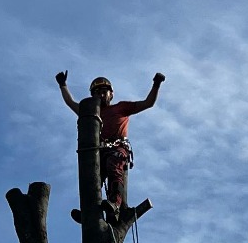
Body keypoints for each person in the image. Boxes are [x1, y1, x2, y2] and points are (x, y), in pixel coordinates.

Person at [56, 70, 166, 210]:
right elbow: (71, 103)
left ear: (111, 94)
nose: (101, 95)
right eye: (97, 93)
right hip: (99, 151)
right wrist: (63, 85)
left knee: (113, 166)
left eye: (104, 92)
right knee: (92, 177)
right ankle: (89, 210)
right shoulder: (90, 113)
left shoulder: (121, 108)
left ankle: (115, 203)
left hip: (117, 148)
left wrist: (156, 84)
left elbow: (148, 103)